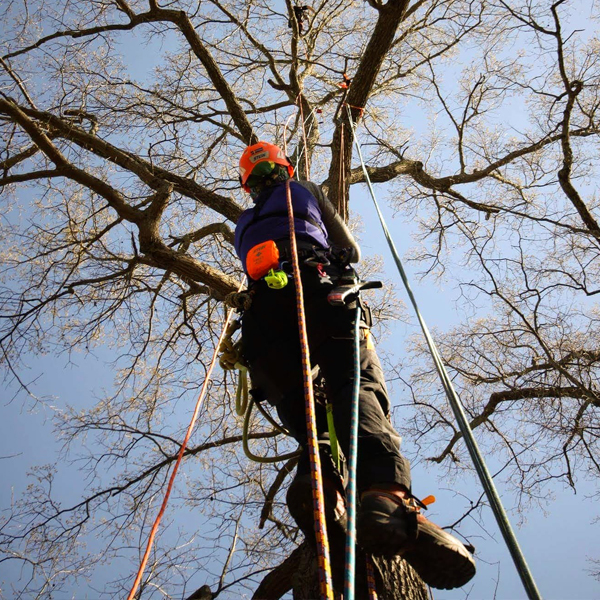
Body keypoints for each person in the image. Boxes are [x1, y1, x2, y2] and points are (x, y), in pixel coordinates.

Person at [234, 141, 476, 590]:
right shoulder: (305, 187)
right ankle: (383, 497)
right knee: (355, 382)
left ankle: (319, 479)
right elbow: (350, 249)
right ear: (284, 169)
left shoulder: (242, 222)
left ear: (249, 185)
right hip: (318, 286)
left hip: (262, 314)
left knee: (301, 403)